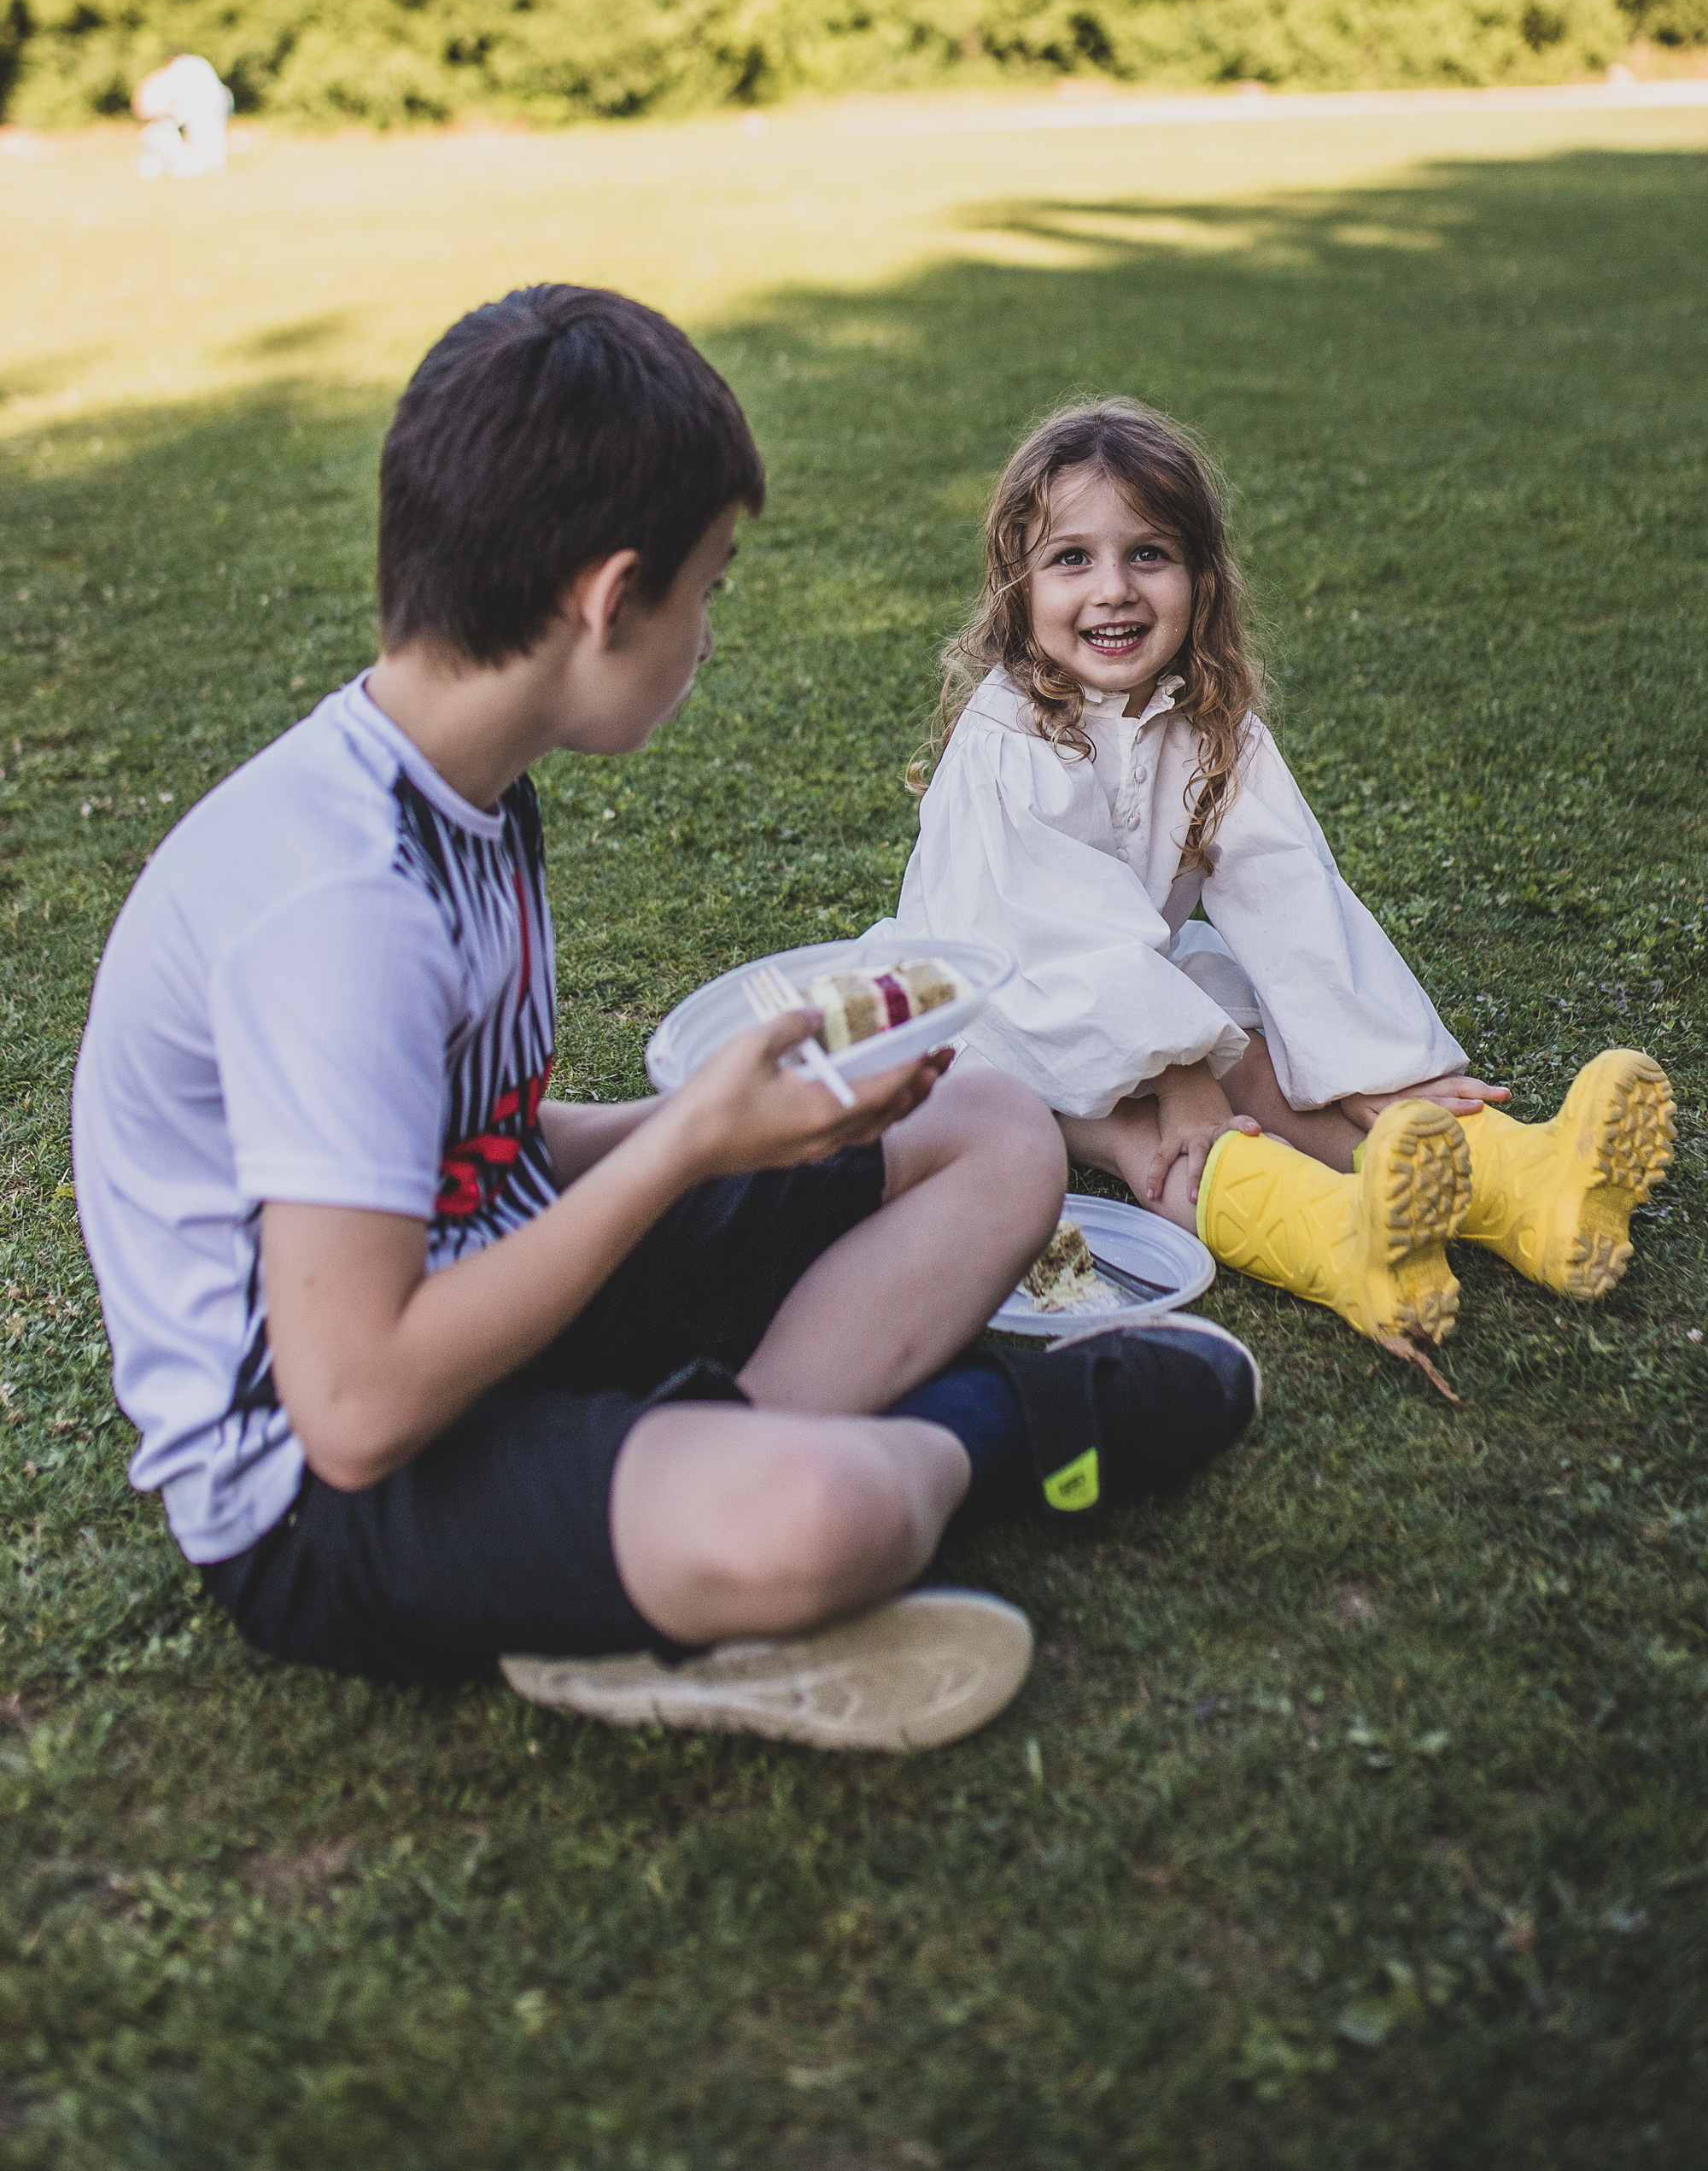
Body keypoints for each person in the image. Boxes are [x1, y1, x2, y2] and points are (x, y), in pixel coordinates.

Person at [72, 294, 1262, 1756]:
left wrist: (736, 1126)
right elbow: (357, 1409)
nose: (705, 634)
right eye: (706, 589)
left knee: (998, 1131)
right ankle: (996, 1430)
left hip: (503, 1307)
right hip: (325, 1495)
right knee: (832, 1515)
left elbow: (474, 1152)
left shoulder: (466, 793)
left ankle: (679, 1481)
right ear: (608, 596)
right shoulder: (339, 907)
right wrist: (686, 1148)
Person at [896, 400, 1674, 1391]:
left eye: (1148, 554)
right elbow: (1062, 947)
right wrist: (1179, 1075)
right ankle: (1336, 1242)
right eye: (1070, 560)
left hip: (1138, 986)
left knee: (1265, 1060)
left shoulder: (1207, 717)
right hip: (991, 1020)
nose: (1113, 590)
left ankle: (1524, 1187)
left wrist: (1377, 1070)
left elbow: (1285, 893)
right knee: (1153, 1130)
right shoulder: (1011, 739)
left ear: (1201, 578)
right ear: (1018, 585)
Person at [132, 54, 233, 178]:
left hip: (199, 114)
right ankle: (213, 164)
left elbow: (144, 108)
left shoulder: (180, 72)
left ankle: (206, 164)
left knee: (160, 134)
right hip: (216, 105)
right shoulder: (197, 68)